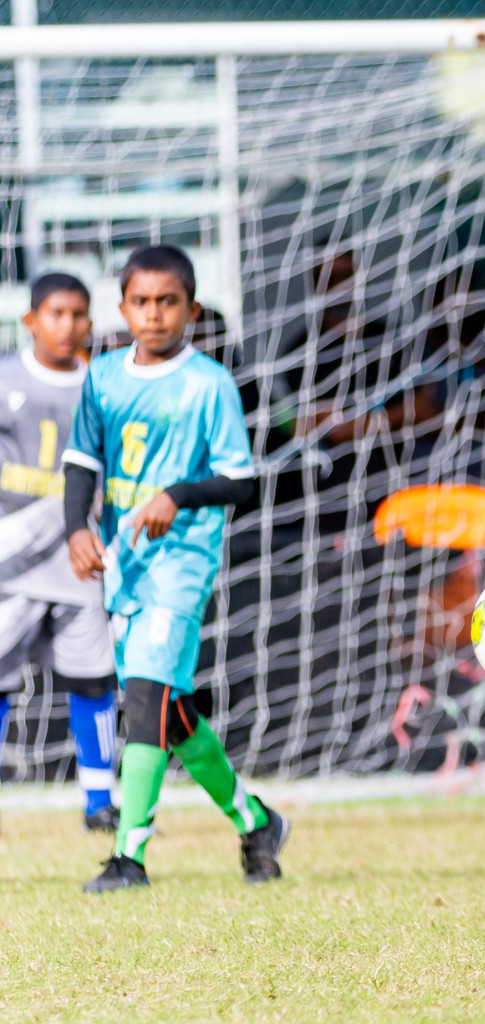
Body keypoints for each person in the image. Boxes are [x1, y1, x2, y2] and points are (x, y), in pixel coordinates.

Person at [62, 245, 290, 892]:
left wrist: (178, 495)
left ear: (190, 309)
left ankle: (128, 857)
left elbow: (241, 483)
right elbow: (82, 461)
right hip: (124, 563)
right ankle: (256, 821)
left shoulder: (209, 383)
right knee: (170, 711)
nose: (155, 314)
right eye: (142, 302)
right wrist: (77, 528)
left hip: (182, 564)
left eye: (168, 302)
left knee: (142, 701)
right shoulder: (102, 376)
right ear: (123, 307)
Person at [0, 274, 120, 832]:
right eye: (55, 314)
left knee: (94, 679)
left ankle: (100, 804)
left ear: (90, 322)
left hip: (79, 557)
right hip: (13, 561)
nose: (67, 325)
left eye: (78, 315)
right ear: (31, 320)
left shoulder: (103, 383)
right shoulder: (5, 378)